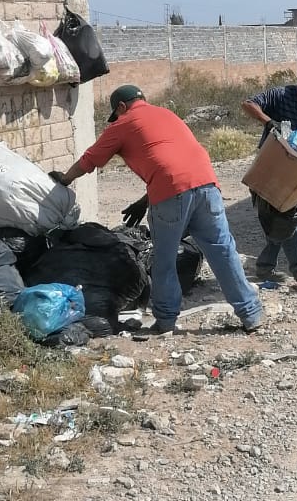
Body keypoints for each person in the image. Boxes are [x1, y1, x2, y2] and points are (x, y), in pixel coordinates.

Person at [50, 84, 263, 334]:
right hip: (207, 184)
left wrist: (63, 180)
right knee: (223, 251)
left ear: (121, 107)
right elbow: (172, 160)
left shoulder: (122, 124)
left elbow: (89, 161)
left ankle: (165, 320)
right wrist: (144, 202)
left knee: (164, 259)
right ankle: (251, 314)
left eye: (116, 113)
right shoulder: (167, 115)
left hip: (171, 192)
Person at [240, 63, 297, 284]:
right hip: (270, 169)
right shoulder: (280, 95)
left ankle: (285, 267)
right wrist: (270, 123)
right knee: (280, 219)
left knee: (288, 218)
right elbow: (248, 104)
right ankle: (294, 267)